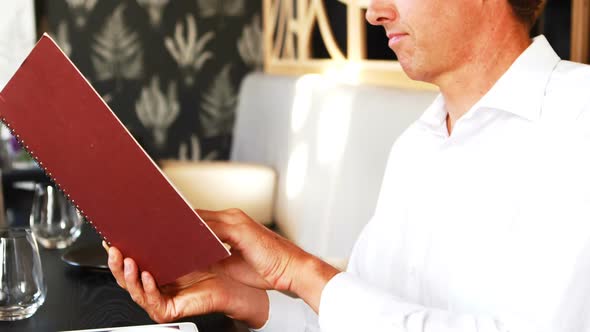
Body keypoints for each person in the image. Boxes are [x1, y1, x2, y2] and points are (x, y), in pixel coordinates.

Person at [106, 0, 590, 331]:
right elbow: (350, 319)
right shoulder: (416, 145)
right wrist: (234, 296)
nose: (375, 12)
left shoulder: (578, 119)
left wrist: (297, 269)